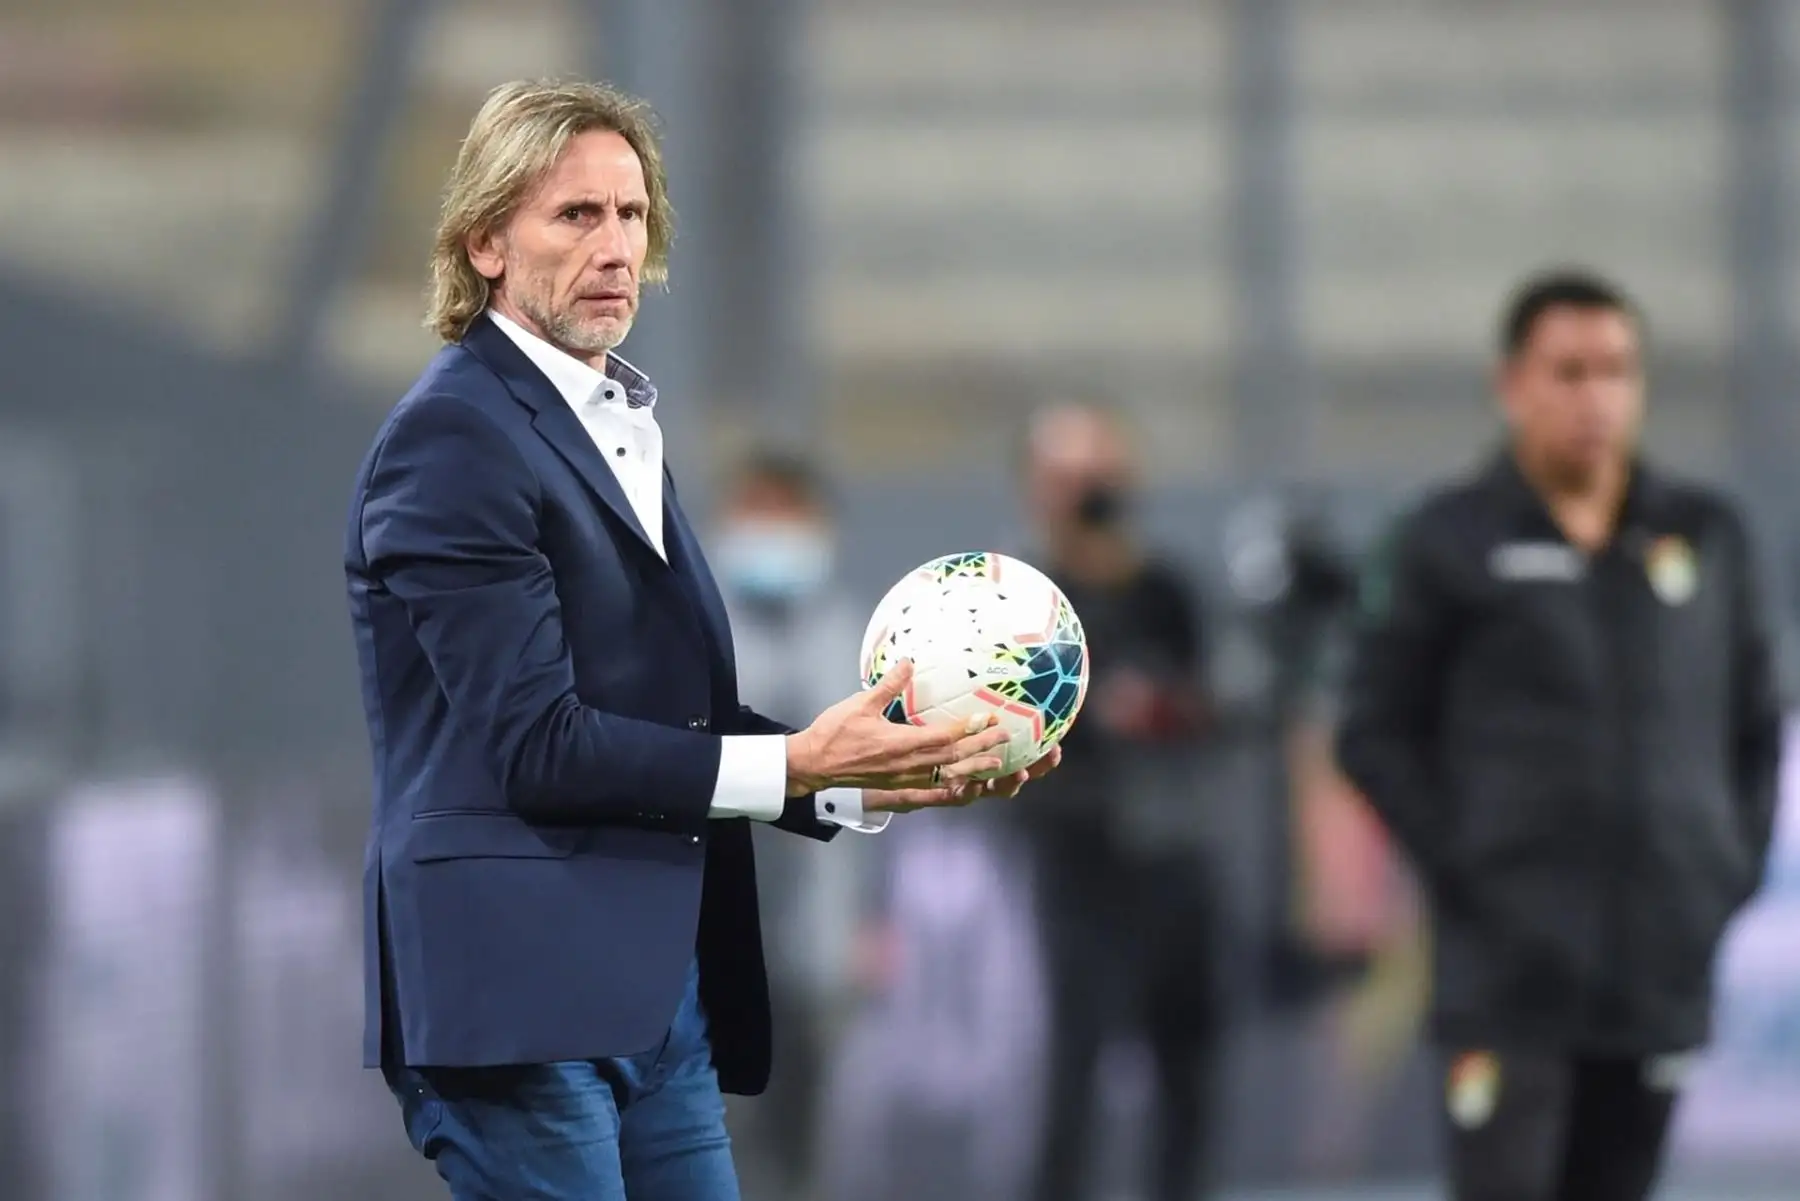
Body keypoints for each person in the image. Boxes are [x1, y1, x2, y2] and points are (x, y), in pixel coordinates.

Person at [342, 79, 1057, 1201]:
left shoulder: (614, 422)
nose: (615, 246)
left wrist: (879, 774)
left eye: (631, 214)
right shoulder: (454, 439)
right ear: (485, 242)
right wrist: (800, 760)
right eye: (576, 215)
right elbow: (539, 745)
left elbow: (673, 717)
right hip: (518, 998)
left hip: (654, 990)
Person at [1335, 269, 1784, 1201]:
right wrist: (1470, 862)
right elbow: (1371, 729)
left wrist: (1724, 868)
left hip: (1657, 963)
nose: (1595, 397)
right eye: (1569, 371)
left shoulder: (1706, 535)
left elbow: (1754, 720)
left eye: (1616, 370)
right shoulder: (1448, 538)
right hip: (1507, 976)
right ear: (1513, 385)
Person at [1014, 403, 1225, 1201]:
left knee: (1189, 1074)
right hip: (1079, 864)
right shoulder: (1022, 609)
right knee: (1073, 1075)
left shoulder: (1168, 593)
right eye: (1068, 477)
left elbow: (1216, 705)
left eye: (1099, 474)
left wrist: (1173, 711)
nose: (1088, 494)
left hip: (1176, 857)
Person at [707, 451, 868, 1192]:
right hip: (705, 923)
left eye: (787, 512)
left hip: (814, 936)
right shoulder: (691, 625)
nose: (771, 531)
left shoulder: (855, 634)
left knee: (799, 1128)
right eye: (756, 511)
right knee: (707, 1130)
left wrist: (865, 922)